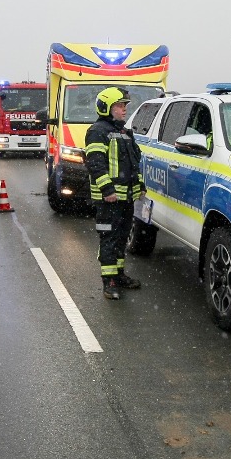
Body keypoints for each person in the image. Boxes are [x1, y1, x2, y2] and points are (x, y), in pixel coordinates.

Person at [84, 87, 146, 300]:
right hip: (109, 200)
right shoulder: (97, 131)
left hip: (125, 198)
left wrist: (139, 186)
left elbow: (133, 163)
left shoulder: (125, 132)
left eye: (125, 106)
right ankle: (109, 282)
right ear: (106, 108)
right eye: (119, 106)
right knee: (109, 239)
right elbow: (95, 163)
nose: (124, 109)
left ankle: (119, 275)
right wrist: (107, 190)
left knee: (121, 238)